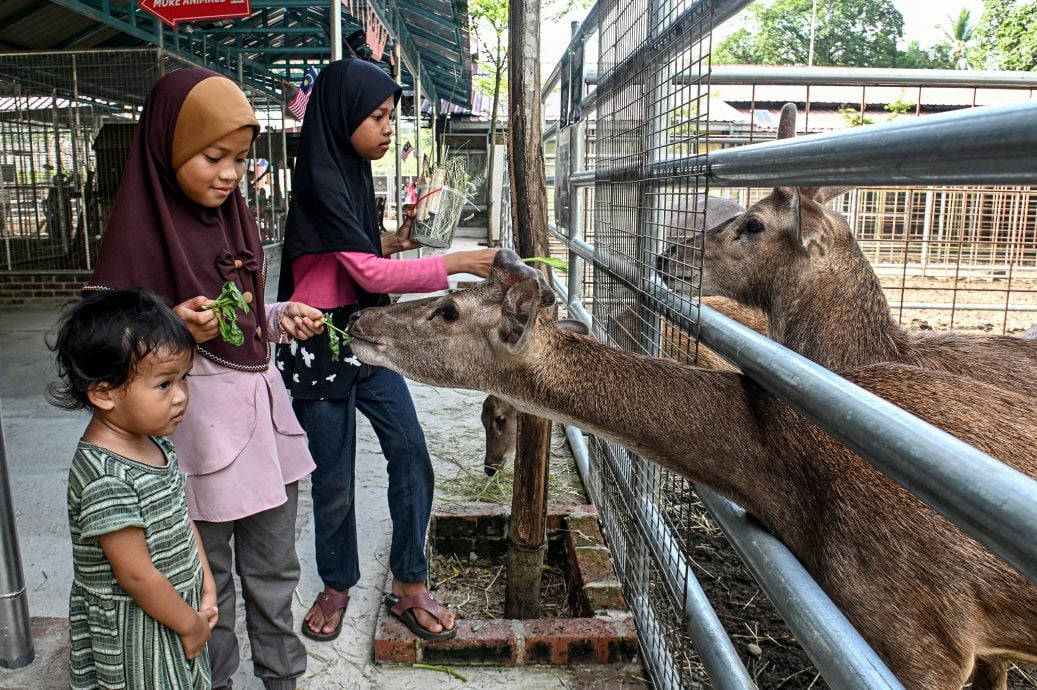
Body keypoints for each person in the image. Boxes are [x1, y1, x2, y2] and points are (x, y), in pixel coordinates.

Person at [84, 68, 324, 690]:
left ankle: (282, 679)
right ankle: (211, 683)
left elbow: (242, 317)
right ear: (168, 146)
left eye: (241, 160)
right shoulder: (138, 233)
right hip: (196, 438)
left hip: (264, 431)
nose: (229, 174)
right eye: (213, 156)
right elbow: (105, 351)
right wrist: (171, 330)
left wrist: (275, 317)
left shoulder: (235, 220)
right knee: (204, 578)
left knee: (275, 573)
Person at [275, 58, 498, 642]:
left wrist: (393, 241)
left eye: (390, 116)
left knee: (410, 450)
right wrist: (459, 263)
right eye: (377, 116)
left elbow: (353, 254)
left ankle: (409, 583)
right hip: (317, 338)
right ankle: (337, 582)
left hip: (365, 330)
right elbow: (369, 275)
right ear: (344, 115)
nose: (387, 127)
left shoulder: (349, 171)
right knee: (334, 477)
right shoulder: (322, 177)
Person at [48, 288, 218, 689]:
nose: (181, 396)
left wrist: (205, 579)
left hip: (175, 609)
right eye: (163, 384)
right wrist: (190, 625)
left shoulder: (155, 442)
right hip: (137, 633)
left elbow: (180, 516)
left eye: (183, 379)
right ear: (104, 393)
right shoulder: (107, 476)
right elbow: (136, 575)